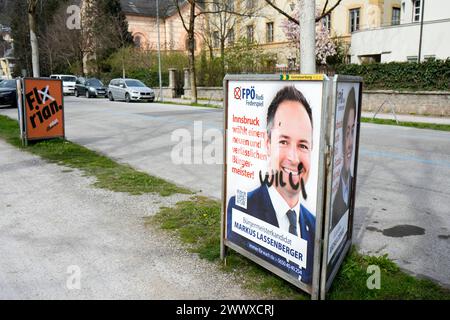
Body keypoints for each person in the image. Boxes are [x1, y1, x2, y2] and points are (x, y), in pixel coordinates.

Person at [227, 86, 316, 284]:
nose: (293, 158)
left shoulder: (315, 226)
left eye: (303, 145)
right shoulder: (241, 209)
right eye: (283, 142)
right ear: (267, 144)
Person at [331, 87, 357, 230]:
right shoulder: (335, 201)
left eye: (352, 131)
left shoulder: (350, 183)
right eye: (346, 133)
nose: (350, 143)